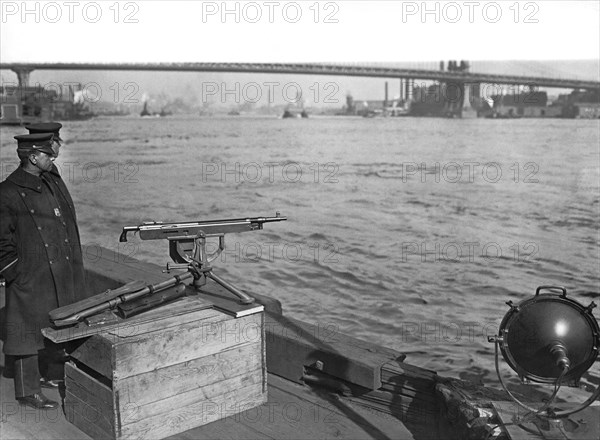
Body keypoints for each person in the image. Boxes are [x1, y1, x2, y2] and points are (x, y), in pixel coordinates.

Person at [0, 132, 87, 409]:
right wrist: (16, 273)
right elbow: (2, 242)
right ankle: (26, 391)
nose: (54, 157)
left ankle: (51, 374)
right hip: (30, 273)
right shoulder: (7, 192)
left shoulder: (50, 179)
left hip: (57, 267)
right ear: (33, 157)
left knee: (58, 321)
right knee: (26, 330)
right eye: (48, 154)